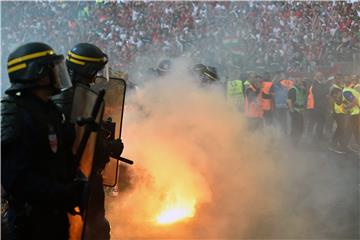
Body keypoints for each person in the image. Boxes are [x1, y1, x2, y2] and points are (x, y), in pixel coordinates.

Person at [1, 42, 85, 239]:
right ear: (36, 73)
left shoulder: (48, 109)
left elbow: (56, 157)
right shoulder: (13, 114)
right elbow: (17, 180)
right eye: (52, 69)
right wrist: (61, 193)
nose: (58, 74)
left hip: (54, 216)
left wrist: (76, 182)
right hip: (31, 223)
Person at [54, 43, 124, 240]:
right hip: (80, 182)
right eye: (95, 71)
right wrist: (111, 147)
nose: (96, 77)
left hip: (71, 182)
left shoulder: (66, 96)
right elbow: (87, 147)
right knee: (94, 232)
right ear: (86, 70)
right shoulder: (75, 101)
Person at [287, 77, 307, 145]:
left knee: (301, 128)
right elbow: (289, 101)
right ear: (295, 82)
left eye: (301, 82)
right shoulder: (293, 89)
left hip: (300, 111)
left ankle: (296, 140)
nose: (300, 83)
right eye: (298, 82)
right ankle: (294, 142)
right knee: (295, 127)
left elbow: (304, 99)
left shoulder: (302, 90)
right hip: (295, 111)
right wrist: (291, 111)